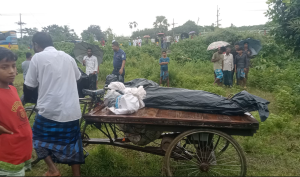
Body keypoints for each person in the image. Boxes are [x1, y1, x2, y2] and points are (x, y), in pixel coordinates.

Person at [25, 32, 84, 176]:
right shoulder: (68, 57)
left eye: (33, 45)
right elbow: (78, 77)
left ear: (36, 45)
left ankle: (53, 169)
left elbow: (29, 85)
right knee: (73, 144)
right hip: (72, 111)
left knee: (37, 139)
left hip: (50, 110)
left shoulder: (37, 58)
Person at [0, 47, 32, 177]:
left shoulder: (12, 88)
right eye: (4, 67)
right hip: (8, 156)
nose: (12, 71)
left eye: (13, 66)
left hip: (20, 151)